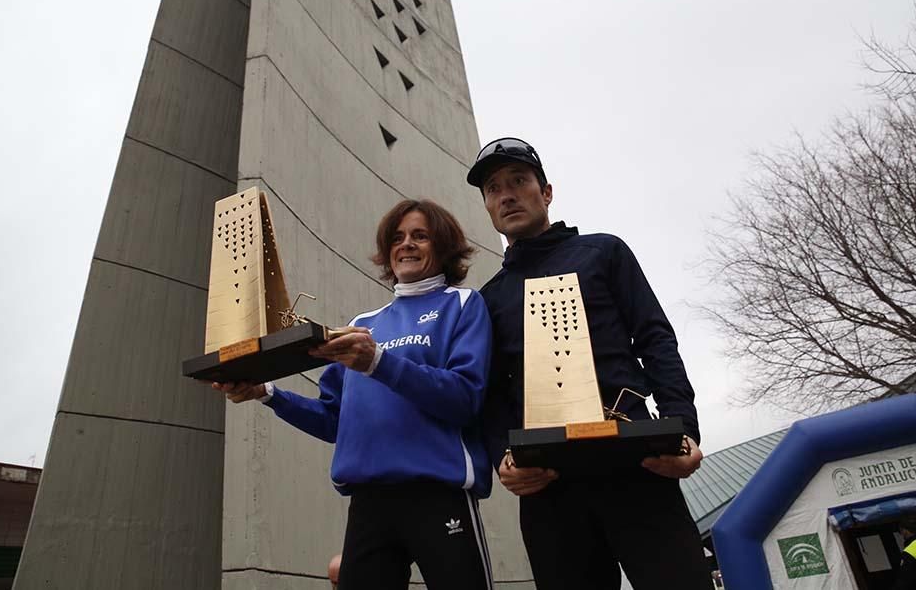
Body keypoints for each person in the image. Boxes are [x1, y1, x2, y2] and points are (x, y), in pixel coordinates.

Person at [467, 137, 712, 590]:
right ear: (486, 205)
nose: (506, 195)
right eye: (494, 189)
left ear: (546, 192)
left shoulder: (605, 252)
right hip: (549, 481)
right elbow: (493, 389)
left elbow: (655, 338)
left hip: (637, 461)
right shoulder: (490, 297)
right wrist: (503, 453)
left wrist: (685, 429)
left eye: (519, 181)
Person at [215, 199, 495, 590]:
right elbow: (333, 420)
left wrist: (379, 362)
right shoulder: (362, 325)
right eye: (397, 238)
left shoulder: (464, 304)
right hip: (368, 502)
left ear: (444, 246)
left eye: (420, 236)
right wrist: (268, 393)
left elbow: (465, 398)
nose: (407, 244)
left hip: (438, 492)